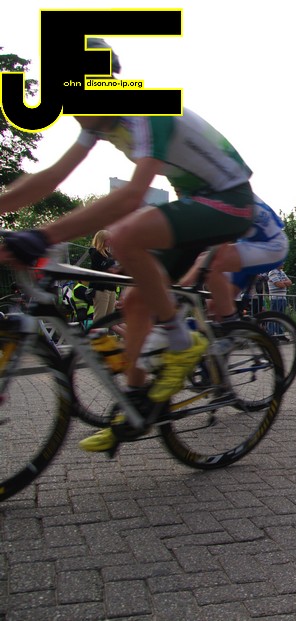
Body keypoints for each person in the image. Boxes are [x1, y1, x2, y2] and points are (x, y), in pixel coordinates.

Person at [0, 39, 254, 452]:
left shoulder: (147, 111)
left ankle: (181, 342)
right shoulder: (98, 123)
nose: (70, 110)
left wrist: (44, 236)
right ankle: (136, 405)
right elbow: (50, 178)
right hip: (196, 200)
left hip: (232, 201)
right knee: (134, 301)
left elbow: (133, 196)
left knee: (124, 235)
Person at [178, 196, 289, 323]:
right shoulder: (222, 196)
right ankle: (228, 327)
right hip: (252, 246)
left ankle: (229, 324)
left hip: (273, 246)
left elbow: (221, 242)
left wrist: (186, 283)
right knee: (214, 307)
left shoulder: (230, 198)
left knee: (210, 263)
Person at [88, 230, 119, 320]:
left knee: (109, 318)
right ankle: (98, 329)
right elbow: (103, 266)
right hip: (101, 287)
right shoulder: (95, 252)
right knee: (100, 316)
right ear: (102, 240)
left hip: (111, 287)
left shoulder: (109, 254)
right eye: (108, 239)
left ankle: (106, 329)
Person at [266, 264, 292, 334]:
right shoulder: (272, 272)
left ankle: (279, 333)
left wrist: (283, 282)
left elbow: (290, 282)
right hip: (275, 298)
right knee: (273, 316)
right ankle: (270, 333)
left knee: (281, 317)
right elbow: (279, 285)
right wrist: (284, 283)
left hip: (283, 297)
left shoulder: (282, 272)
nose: (283, 264)